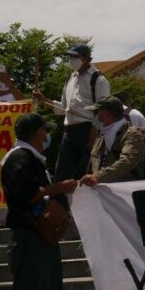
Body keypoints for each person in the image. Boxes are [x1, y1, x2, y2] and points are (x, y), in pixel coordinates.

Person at [0, 113, 77, 290]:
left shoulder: (32, 158)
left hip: (43, 241)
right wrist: (62, 187)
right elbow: (29, 195)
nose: (47, 136)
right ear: (35, 133)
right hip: (29, 241)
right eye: (45, 130)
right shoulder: (19, 158)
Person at [33, 44, 110, 188]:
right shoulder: (70, 78)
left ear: (86, 58)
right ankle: (62, 208)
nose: (71, 60)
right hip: (69, 132)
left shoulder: (98, 79)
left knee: (86, 175)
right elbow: (63, 108)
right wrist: (44, 100)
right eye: (70, 57)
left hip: (88, 131)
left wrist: (94, 132)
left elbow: (104, 109)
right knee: (61, 175)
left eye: (75, 57)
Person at [80, 97, 145, 186]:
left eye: (96, 112)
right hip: (100, 192)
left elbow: (127, 161)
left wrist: (98, 177)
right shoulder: (101, 136)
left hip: (124, 192)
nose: (94, 116)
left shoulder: (132, 135)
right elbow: (92, 166)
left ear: (106, 114)